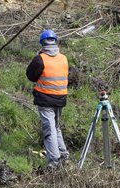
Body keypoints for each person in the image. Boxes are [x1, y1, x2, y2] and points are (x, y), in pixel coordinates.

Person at [26, 29, 69, 169]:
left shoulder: (40, 59)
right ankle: (64, 155)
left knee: (49, 129)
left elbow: (31, 76)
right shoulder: (63, 58)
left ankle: (54, 161)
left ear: (42, 43)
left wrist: (37, 57)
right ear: (56, 41)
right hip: (61, 99)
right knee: (56, 127)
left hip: (45, 99)